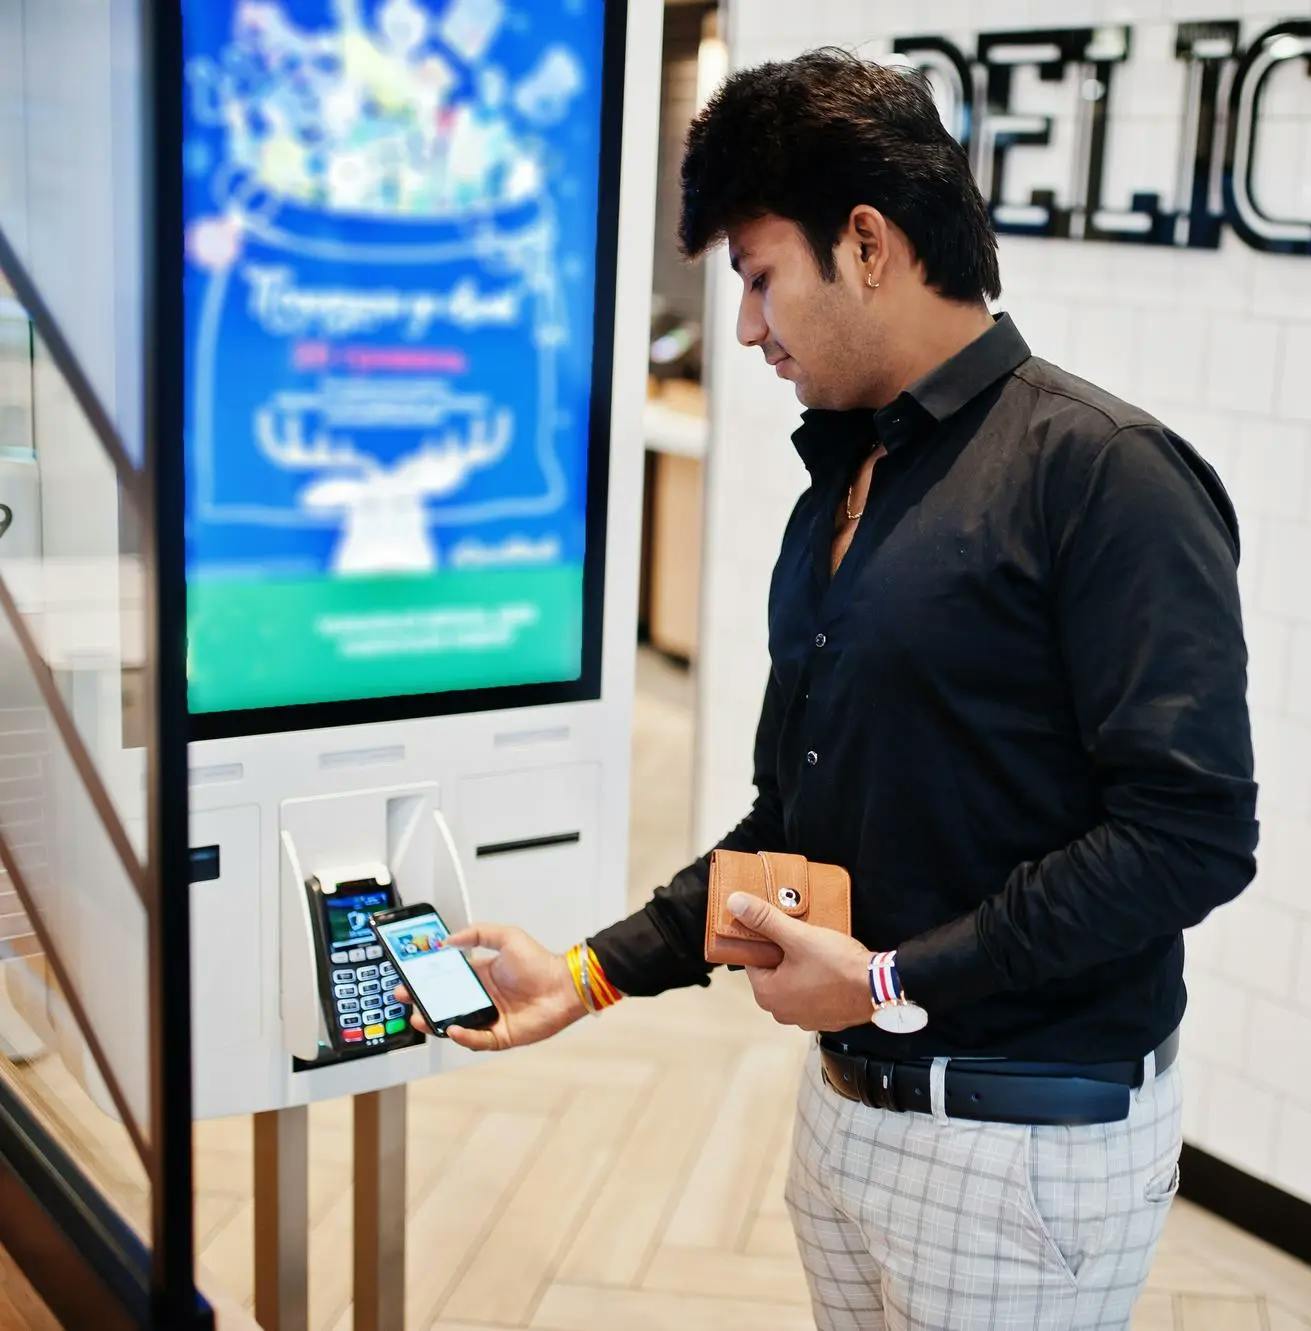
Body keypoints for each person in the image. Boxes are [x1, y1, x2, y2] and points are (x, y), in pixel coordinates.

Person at [397, 48, 1257, 1331]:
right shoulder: (845, 488)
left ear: (865, 243)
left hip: (1020, 1155)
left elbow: (1187, 836)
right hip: (848, 1118)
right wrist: (582, 974)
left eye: (756, 277)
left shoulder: (1104, 473)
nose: (745, 326)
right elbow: (786, 825)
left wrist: (889, 981)